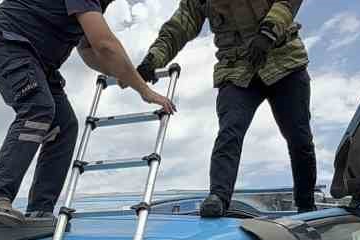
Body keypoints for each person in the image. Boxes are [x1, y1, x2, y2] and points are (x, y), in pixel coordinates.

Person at [0, 0, 176, 227]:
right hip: (9, 45)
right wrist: (143, 89)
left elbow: (88, 50)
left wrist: (123, 74)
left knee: (65, 125)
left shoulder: (96, 5)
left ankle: (40, 211)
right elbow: (105, 45)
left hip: (39, 63)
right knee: (38, 109)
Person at [135, 0, 315, 218]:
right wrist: (153, 58)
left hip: (283, 61)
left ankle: (306, 204)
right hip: (237, 69)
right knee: (229, 131)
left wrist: (268, 32)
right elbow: (181, 25)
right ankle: (218, 197)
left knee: (299, 138)